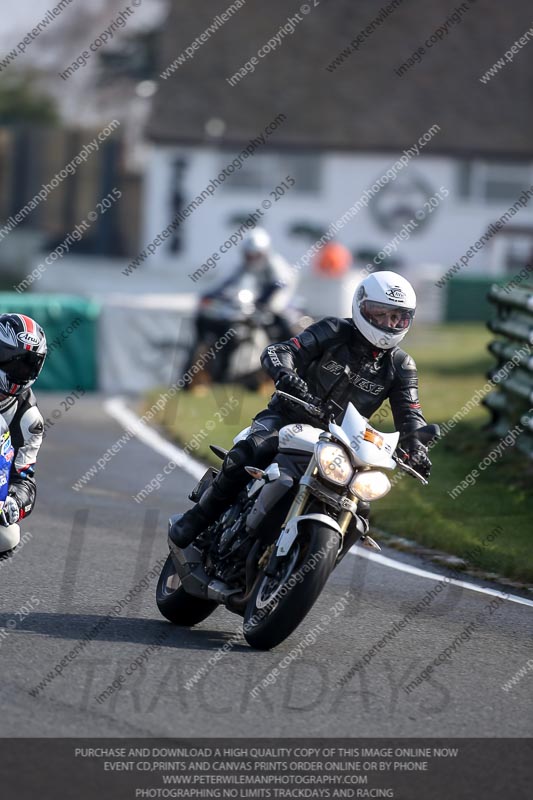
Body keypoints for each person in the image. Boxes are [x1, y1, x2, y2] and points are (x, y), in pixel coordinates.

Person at [171, 271, 431, 548]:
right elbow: (280, 350)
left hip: (343, 444)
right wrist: (286, 374)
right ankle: (197, 518)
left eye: (396, 317)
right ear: (361, 306)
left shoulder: (401, 366)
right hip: (288, 416)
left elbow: (410, 413)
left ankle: (313, 559)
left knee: (360, 510)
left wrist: (416, 447)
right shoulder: (333, 331)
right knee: (249, 451)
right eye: (380, 314)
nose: (387, 323)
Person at [0, 314, 47, 554]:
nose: (21, 371)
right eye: (14, 362)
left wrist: (15, 503)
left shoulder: (29, 421)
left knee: (7, 535)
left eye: (29, 364)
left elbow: (25, 481)